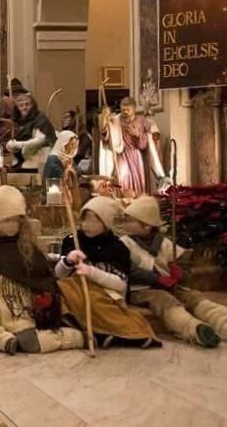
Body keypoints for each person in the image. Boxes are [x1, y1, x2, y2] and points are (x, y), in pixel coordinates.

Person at [0, 185, 84, 354]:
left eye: (16, 221)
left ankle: (76, 337)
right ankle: (2, 340)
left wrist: (45, 297)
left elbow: (45, 278)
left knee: (28, 341)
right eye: (6, 221)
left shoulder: (28, 249)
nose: (12, 225)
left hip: (20, 307)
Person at [54, 196, 160, 348]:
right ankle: (81, 328)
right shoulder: (72, 241)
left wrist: (91, 272)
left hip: (105, 293)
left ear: (105, 224)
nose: (87, 225)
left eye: (94, 220)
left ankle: (124, 334)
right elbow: (59, 274)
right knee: (61, 287)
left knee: (96, 301)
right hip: (75, 292)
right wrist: (67, 261)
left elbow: (121, 284)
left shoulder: (117, 248)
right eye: (85, 219)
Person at [120, 196, 226, 348]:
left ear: (146, 226)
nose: (124, 224)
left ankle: (222, 322)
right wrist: (156, 279)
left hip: (168, 286)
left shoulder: (165, 244)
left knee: (192, 296)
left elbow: (183, 268)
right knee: (164, 300)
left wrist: (181, 273)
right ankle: (193, 329)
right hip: (140, 289)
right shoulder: (125, 243)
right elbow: (130, 269)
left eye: (130, 221)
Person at [100, 97, 167, 196]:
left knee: (140, 181)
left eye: (128, 110)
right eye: (123, 109)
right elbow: (105, 133)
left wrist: (138, 134)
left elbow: (152, 139)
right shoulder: (116, 120)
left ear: (134, 109)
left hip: (137, 156)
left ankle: (138, 201)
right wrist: (104, 118)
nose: (125, 112)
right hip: (122, 154)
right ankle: (123, 199)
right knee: (121, 178)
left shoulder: (142, 121)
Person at [6, 93, 56, 170]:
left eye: (27, 104)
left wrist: (18, 144)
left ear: (33, 105)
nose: (24, 107)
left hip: (40, 159)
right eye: (21, 105)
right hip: (23, 159)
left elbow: (40, 140)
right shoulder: (18, 121)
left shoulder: (40, 118)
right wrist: (11, 145)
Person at [42, 130, 81, 211]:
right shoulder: (53, 159)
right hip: (54, 190)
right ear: (64, 143)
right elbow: (55, 175)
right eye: (70, 145)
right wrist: (67, 170)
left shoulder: (68, 158)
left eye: (74, 145)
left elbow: (77, 172)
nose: (72, 148)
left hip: (67, 193)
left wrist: (70, 168)